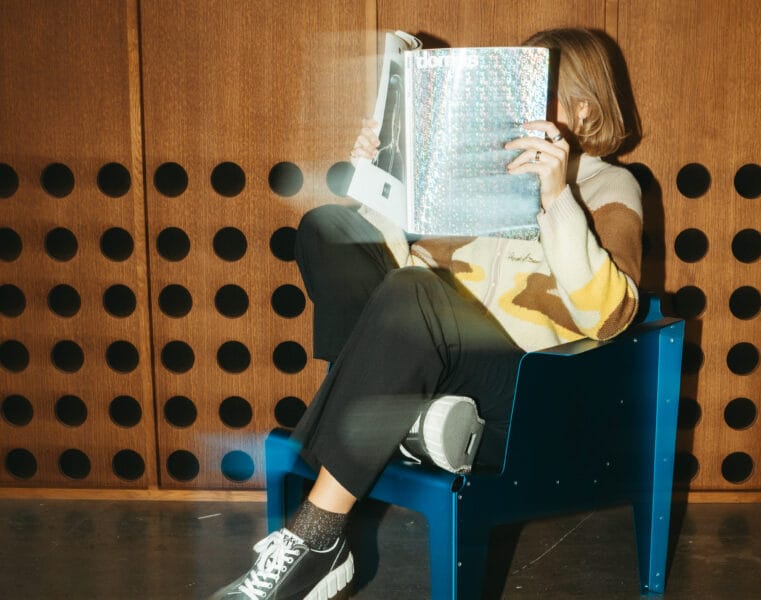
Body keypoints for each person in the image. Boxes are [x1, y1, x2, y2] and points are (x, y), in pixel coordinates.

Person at [210, 27, 643, 600]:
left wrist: (556, 197)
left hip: (526, 395)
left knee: (414, 292)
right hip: (443, 369)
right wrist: (379, 180)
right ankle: (407, 418)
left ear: (583, 109)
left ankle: (318, 535)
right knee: (329, 228)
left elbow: (611, 316)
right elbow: (398, 277)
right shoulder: (484, 179)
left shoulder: (612, 185)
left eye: (537, 90)